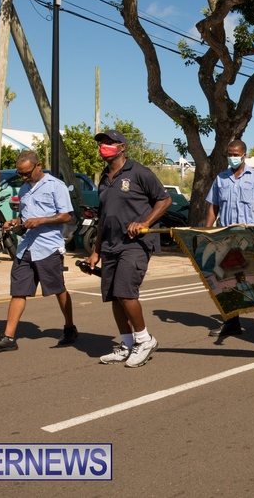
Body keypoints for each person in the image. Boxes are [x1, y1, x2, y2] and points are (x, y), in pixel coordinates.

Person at [85, 130, 171, 367]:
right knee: (114, 295)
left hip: (135, 244)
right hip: (110, 244)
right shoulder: (104, 178)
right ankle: (126, 344)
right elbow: (103, 218)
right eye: (102, 143)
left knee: (125, 291)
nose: (104, 147)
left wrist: (145, 223)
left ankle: (144, 340)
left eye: (109, 143)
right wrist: (96, 251)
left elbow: (164, 200)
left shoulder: (139, 172)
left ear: (122, 147)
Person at [0, 151, 77, 353]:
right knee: (18, 291)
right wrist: (15, 222)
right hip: (25, 247)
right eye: (20, 174)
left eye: (27, 173)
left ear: (38, 166)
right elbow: (24, 217)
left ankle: (70, 327)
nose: (24, 177)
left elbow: (67, 216)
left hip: (48, 248)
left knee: (58, 289)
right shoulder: (24, 189)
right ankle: (8, 337)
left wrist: (42, 220)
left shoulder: (56, 186)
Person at [205, 139, 254, 337]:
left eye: (235, 155)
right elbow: (213, 206)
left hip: (248, 237)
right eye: (229, 154)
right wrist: (206, 231)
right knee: (226, 280)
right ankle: (232, 322)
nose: (232, 158)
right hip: (226, 238)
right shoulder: (221, 178)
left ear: (244, 155)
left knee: (252, 276)